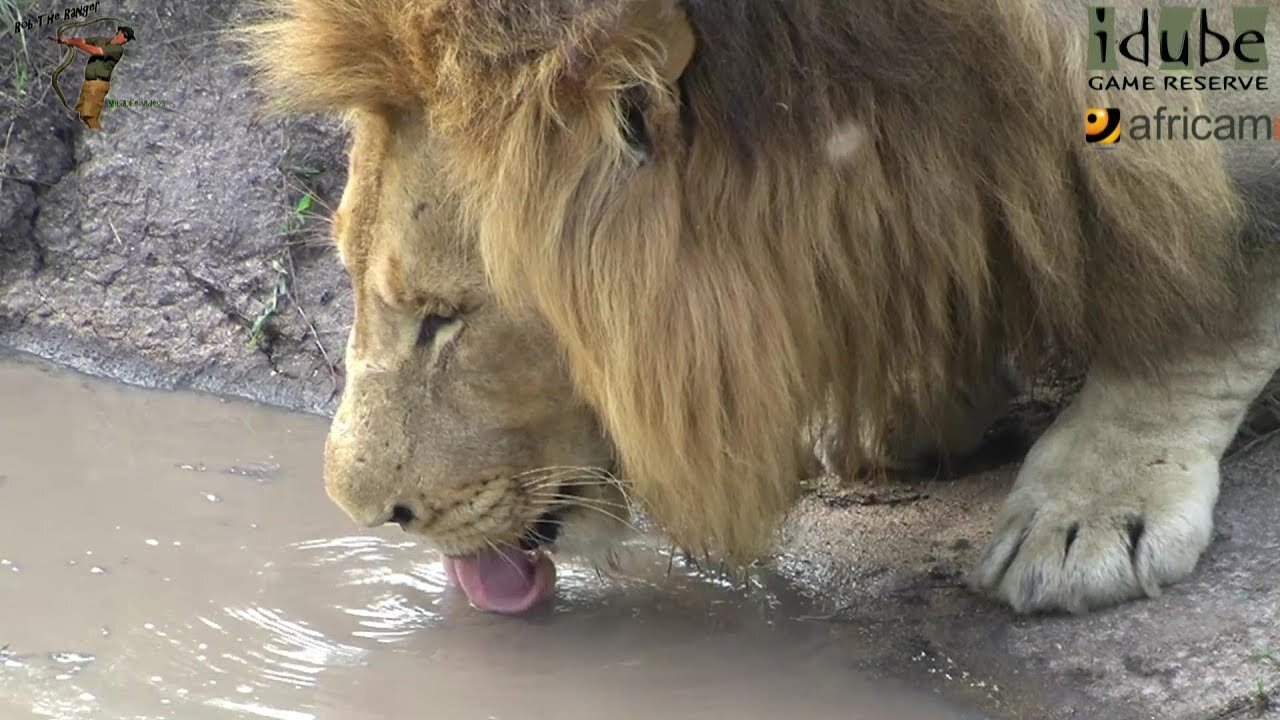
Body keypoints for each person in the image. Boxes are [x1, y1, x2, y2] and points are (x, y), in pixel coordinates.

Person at [48, 25, 135, 129]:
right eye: (125, 35)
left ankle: (98, 137)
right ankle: (90, 136)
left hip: (98, 84)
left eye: (127, 39)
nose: (125, 39)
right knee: (82, 114)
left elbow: (96, 51)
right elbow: (83, 41)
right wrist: (66, 40)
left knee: (89, 117)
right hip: (89, 83)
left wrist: (74, 43)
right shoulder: (101, 40)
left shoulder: (117, 50)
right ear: (119, 32)